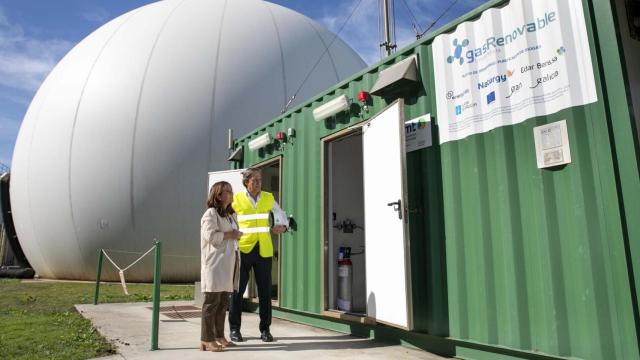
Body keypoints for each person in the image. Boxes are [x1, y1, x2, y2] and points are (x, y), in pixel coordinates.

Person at [228, 168, 288, 343]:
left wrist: (282, 227)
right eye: (254, 180)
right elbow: (227, 219)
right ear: (246, 182)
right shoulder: (237, 199)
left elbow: (281, 214)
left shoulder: (268, 197)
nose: (258, 183)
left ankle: (265, 330)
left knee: (265, 292)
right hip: (243, 250)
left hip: (264, 251)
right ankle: (234, 330)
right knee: (237, 292)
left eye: (260, 180)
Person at [200, 181, 243, 352]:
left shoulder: (230, 214)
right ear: (218, 195)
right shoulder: (210, 214)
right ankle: (206, 339)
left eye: (231, 191)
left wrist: (236, 235)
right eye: (227, 191)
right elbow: (210, 235)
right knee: (211, 303)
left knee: (223, 302)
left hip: (229, 263)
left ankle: (219, 336)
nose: (231, 194)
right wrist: (230, 234)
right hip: (215, 264)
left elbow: (230, 236)